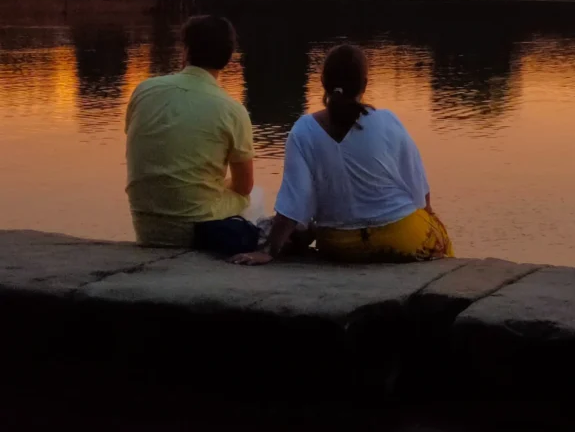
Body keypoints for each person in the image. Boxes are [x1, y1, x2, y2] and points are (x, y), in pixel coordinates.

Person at [230, 44, 453, 265]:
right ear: (364, 84)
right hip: (402, 237)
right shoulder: (386, 120)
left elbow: (293, 201)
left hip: (340, 245)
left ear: (323, 83)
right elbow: (420, 192)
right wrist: (429, 219)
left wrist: (269, 250)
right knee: (437, 232)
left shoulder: (303, 130)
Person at [125, 15, 258, 254]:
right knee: (255, 196)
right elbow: (244, 186)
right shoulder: (232, 110)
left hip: (146, 226)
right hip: (197, 231)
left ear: (185, 51)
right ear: (228, 57)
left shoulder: (144, 90)